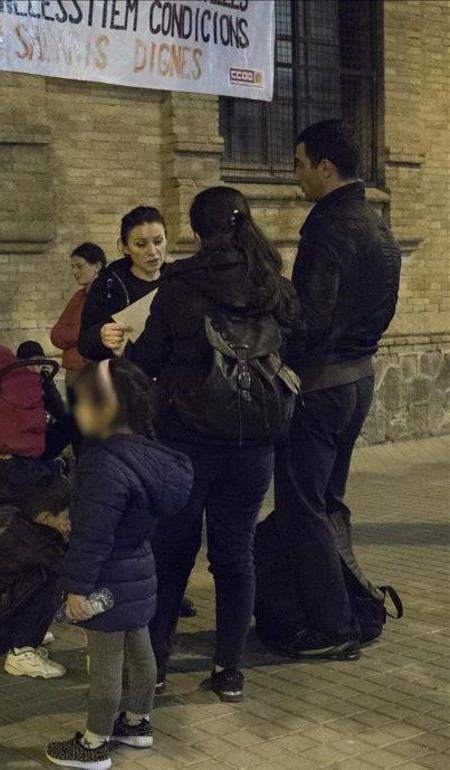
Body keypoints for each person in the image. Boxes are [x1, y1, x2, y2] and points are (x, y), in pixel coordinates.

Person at [129, 187, 299, 702]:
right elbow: (302, 339)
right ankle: (229, 669)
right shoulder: (272, 283)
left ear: (196, 231)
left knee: (172, 551)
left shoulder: (180, 285)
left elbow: (149, 361)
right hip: (255, 443)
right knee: (235, 552)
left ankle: (155, 667)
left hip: (188, 441)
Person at [272, 119, 401, 656]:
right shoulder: (376, 224)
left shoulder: (327, 227)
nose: (297, 175)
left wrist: (284, 359)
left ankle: (332, 625)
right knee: (327, 502)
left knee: (303, 506)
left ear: (326, 167)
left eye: (301, 164)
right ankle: (345, 604)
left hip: (321, 387)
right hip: (358, 380)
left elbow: (311, 316)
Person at [44, 359, 192, 770]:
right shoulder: (152, 455)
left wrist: (77, 588)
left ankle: (93, 744)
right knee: (141, 649)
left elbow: (93, 535)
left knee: (105, 662)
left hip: (106, 577)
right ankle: (138, 723)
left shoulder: (103, 463)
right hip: (140, 567)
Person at [0, 478, 71, 679]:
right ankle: (22, 651)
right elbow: (69, 569)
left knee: (47, 576)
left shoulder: (29, 524)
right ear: (46, 516)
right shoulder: (35, 542)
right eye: (67, 517)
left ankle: (24, 634)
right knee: (53, 581)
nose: (70, 522)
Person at [77, 207, 167, 362]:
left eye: (158, 241)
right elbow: (84, 343)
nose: (153, 251)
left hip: (172, 380)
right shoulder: (108, 284)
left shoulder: (178, 279)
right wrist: (101, 336)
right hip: (127, 379)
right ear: (125, 247)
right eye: (140, 244)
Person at [51, 242, 108, 381]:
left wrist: (77, 334)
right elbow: (55, 335)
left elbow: (95, 334)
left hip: (94, 372)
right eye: (73, 267)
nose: (75, 272)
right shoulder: (78, 297)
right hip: (73, 371)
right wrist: (79, 335)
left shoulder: (107, 296)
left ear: (97, 266)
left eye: (79, 266)